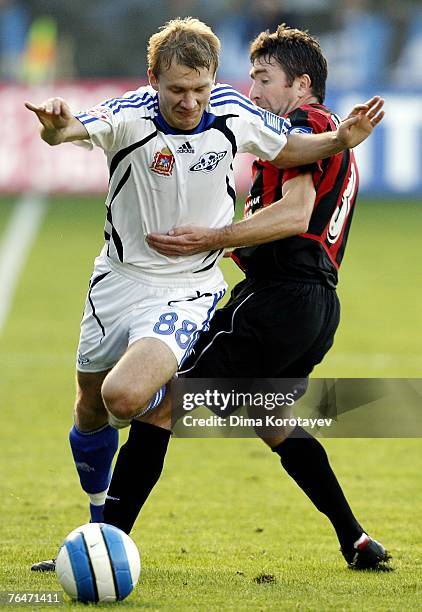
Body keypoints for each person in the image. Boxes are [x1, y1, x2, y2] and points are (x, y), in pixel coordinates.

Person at [28, 18, 384, 572]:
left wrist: (213, 239)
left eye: (264, 79)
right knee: (271, 418)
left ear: (301, 84)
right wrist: (57, 128)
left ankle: (101, 546)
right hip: (313, 306)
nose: (254, 91)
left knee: (161, 408)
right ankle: (357, 539)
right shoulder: (301, 127)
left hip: (275, 300)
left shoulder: (305, 121)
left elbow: (295, 213)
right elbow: (72, 130)